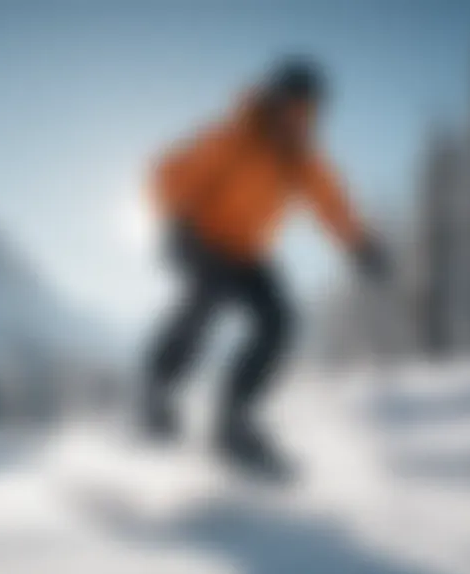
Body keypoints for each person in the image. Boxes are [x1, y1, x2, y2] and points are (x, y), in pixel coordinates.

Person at [143, 58, 388, 480]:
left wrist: (359, 244)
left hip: (246, 252)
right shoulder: (232, 137)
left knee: (278, 321)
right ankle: (158, 390)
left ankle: (233, 419)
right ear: (273, 101)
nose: (295, 119)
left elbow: (331, 204)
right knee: (204, 300)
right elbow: (167, 172)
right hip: (200, 236)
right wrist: (173, 221)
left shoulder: (302, 160)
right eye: (289, 107)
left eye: (306, 111)